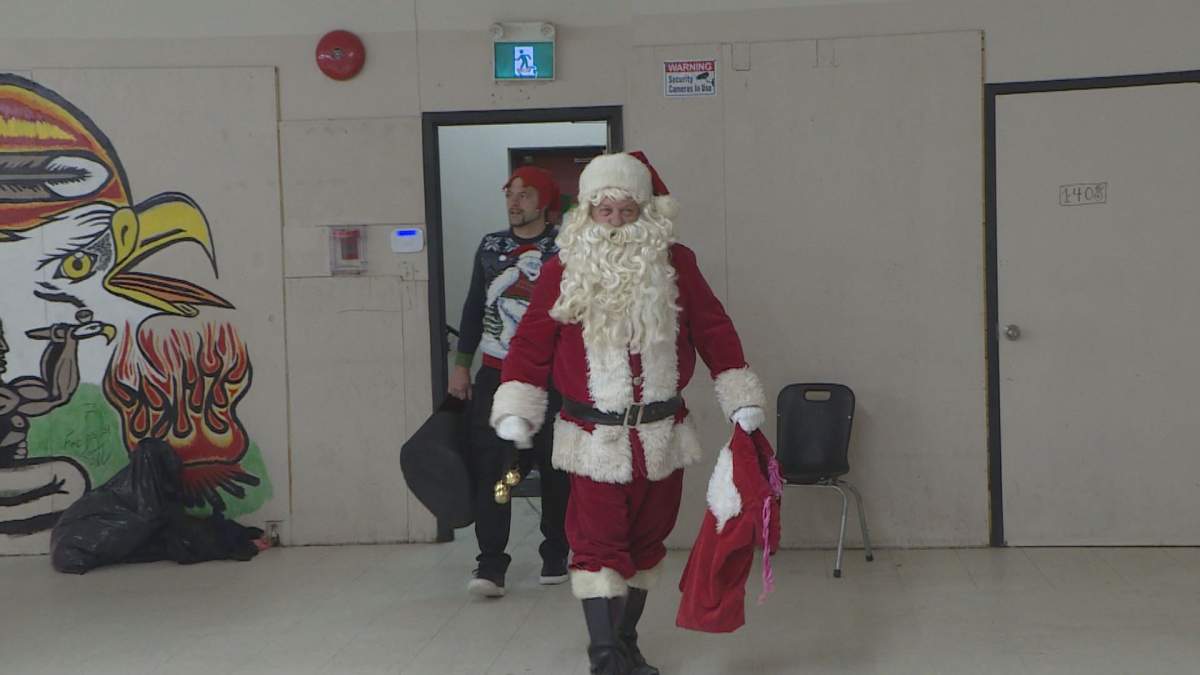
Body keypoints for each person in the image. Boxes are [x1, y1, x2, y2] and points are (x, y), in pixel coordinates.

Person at [489, 152, 766, 674]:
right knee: (596, 545)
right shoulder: (561, 270)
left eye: (626, 211)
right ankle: (603, 656)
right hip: (594, 438)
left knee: (647, 543)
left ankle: (625, 641)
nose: (615, 222)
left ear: (645, 211)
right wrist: (517, 405)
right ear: (587, 213)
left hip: (662, 434)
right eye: (604, 211)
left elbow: (713, 328)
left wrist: (740, 393)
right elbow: (530, 345)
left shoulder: (675, 263)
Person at [449, 165, 571, 598]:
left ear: (544, 201)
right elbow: (472, 307)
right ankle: (491, 562)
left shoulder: (564, 246)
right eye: (510, 193)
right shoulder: (491, 246)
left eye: (524, 194)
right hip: (498, 374)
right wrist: (462, 364)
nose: (514, 201)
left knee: (556, 467)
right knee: (499, 471)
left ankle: (556, 549)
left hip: (552, 375)